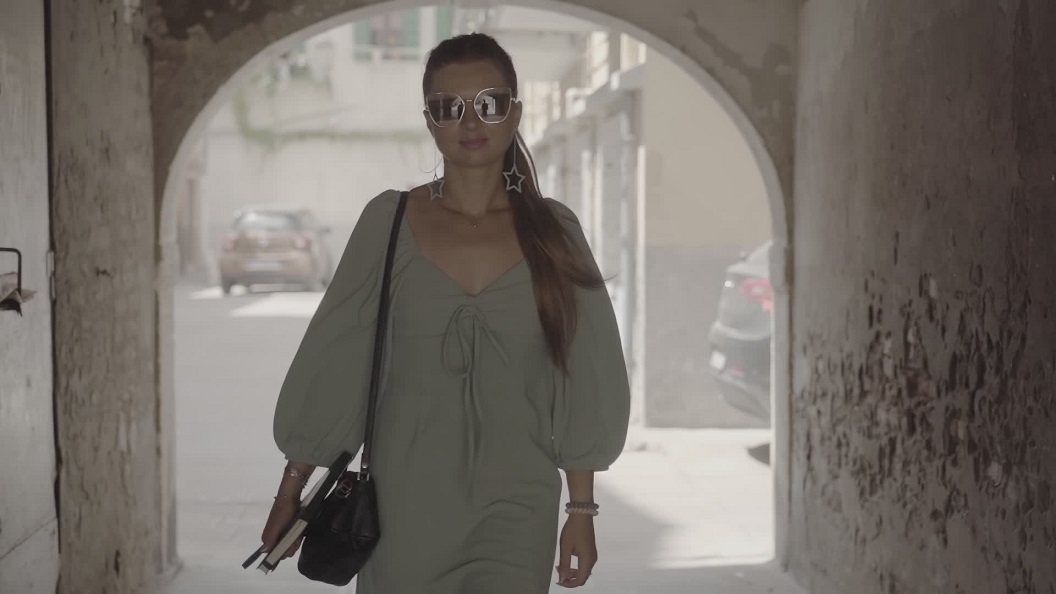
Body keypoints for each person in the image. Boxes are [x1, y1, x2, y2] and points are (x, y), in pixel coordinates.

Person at [260, 32, 631, 593]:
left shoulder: (553, 232)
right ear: (430, 122)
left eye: (489, 102)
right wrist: (291, 488)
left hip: (518, 508)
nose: (470, 120)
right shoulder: (388, 224)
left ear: (515, 113)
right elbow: (337, 360)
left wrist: (582, 514)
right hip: (402, 507)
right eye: (448, 107)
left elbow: (580, 373)